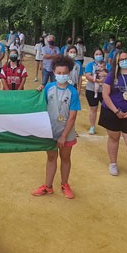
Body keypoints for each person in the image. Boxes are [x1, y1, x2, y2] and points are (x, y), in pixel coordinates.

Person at [32, 57, 81, 199]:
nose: (61, 75)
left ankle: (65, 184)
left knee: (65, 158)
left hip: (66, 132)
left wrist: (64, 136)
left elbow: (72, 116)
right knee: (51, 157)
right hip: (50, 131)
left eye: (64, 72)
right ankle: (48, 186)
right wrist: (39, 90)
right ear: (53, 72)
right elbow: (39, 104)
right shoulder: (48, 87)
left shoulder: (73, 92)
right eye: (58, 72)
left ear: (69, 73)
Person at [100, 51, 127, 184]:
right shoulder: (111, 76)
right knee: (114, 138)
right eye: (122, 59)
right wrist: (116, 111)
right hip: (112, 112)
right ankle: (113, 163)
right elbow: (106, 95)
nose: (125, 61)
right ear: (117, 62)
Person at [83, 48, 107, 135]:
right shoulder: (90, 65)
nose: (98, 56)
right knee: (93, 108)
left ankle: (107, 126)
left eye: (100, 54)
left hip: (105, 90)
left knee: (106, 108)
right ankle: (92, 126)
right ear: (93, 55)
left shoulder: (107, 65)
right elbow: (87, 76)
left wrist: (104, 77)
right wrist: (97, 80)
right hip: (91, 89)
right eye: (96, 54)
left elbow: (111, 75)